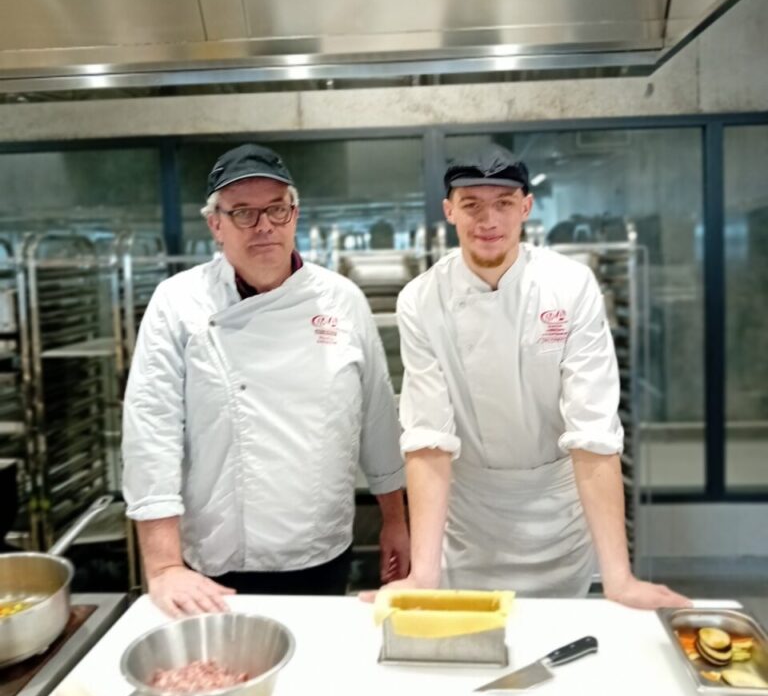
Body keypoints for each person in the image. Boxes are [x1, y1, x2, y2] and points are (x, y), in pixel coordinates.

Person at [388, 145, 689, 609]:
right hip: (469, 522)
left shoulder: (570, 286)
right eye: (471, 205)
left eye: (504, 203)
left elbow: (593, 431)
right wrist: (422, 574)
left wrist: (620, 578)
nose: (488, 220)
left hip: (555, 518)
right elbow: (428, 438)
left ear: (526, 207)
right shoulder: (421, 299)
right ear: (449, 211)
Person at [123, 143, 409, 616]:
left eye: (277, 209)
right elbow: (150, 432)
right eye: (243, 213)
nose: (264, 226)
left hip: (320, 550)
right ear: (215, 224)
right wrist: (163, 565)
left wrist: (396, 521)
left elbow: (377, 420)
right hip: (217, 560)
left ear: (294, 215)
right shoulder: (177, 302)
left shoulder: (342, 299)